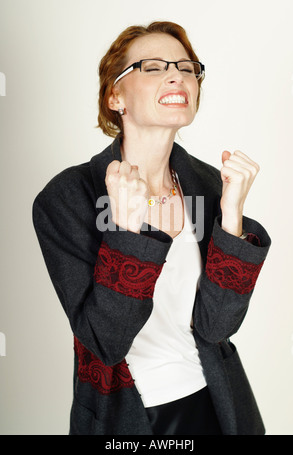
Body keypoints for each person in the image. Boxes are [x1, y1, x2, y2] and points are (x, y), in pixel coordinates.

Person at [32, 21, 271, 435]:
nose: (177, 74)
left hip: (219, 405)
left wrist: (231, 217)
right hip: (128, 419)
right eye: (153, 67)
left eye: (185, 66)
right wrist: (127, 230)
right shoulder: (66, 198)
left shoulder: (208, 185)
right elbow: (105, 342)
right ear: (115, 96)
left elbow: (218, 327)